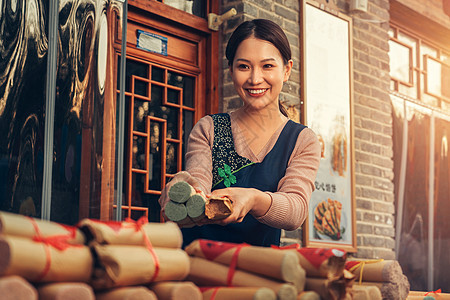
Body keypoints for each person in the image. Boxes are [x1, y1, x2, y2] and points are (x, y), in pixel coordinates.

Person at [159, 19, 321, 247]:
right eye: (244, 66)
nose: (255, 79)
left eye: (267, 66)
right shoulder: (210, 128)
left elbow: (296, 210)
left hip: (256, 271)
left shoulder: (301, 140)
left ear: (286, 70)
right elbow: (200, 180)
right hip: (197, 263)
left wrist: (254, 199)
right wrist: (188, 188)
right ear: (231, 71)